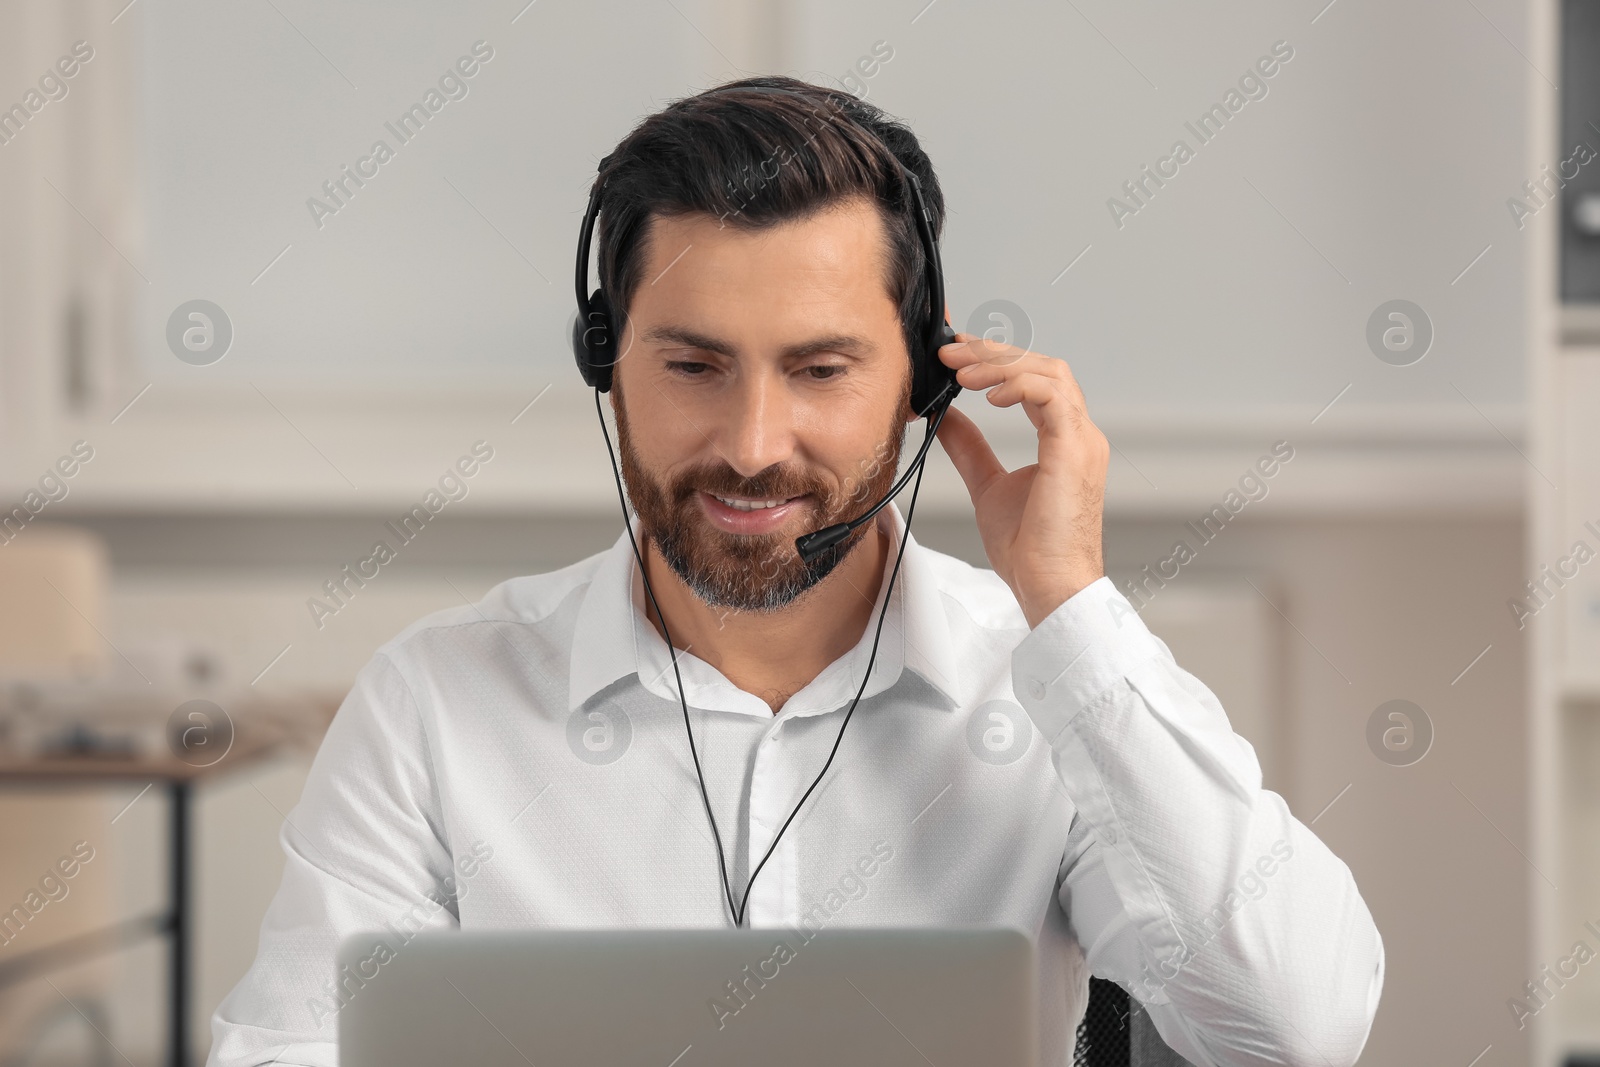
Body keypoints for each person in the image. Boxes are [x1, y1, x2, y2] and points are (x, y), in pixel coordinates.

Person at [208, 76, 1383, 1067]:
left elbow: (1294, 1026)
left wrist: (1068, 605)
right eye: (694, 364)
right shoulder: (437, 700)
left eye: (820, 369)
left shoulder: (1042, 694)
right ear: (605, 362)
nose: (754, 442)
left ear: (927, 382)